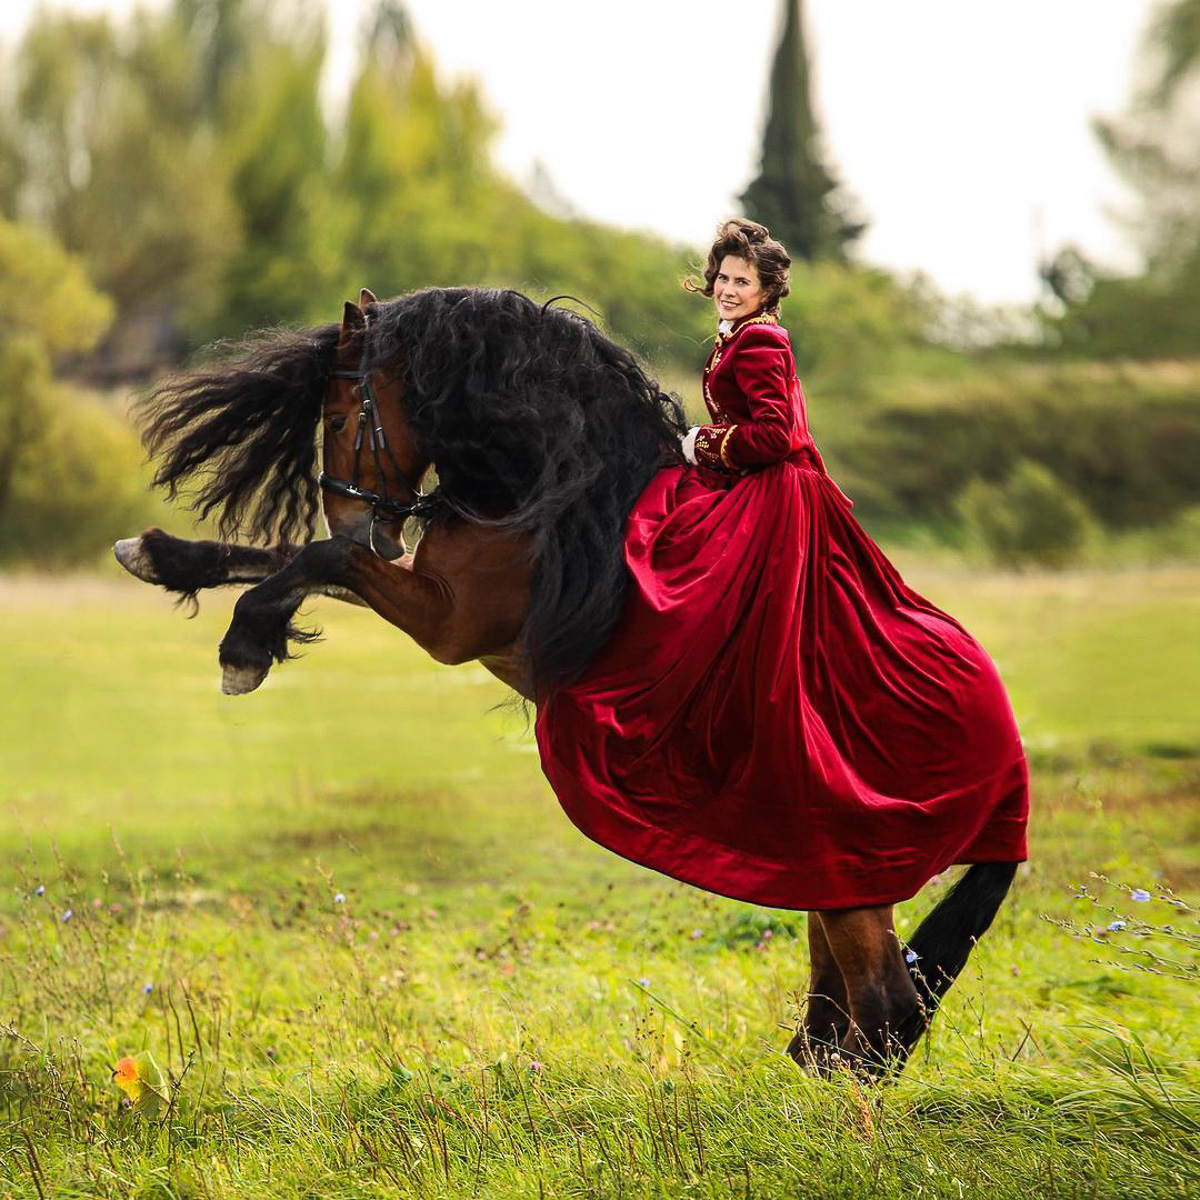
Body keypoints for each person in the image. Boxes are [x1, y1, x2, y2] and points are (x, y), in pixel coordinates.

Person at [535, 218, 1028, 913]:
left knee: (686, 579)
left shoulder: (762, 338)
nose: (729, 291)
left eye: (744, 282)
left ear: (768, 290)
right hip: (760, 485)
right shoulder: (736, 335)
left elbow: (776, 434)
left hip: (776, 493)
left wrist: (701, 446)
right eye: (724, 279)